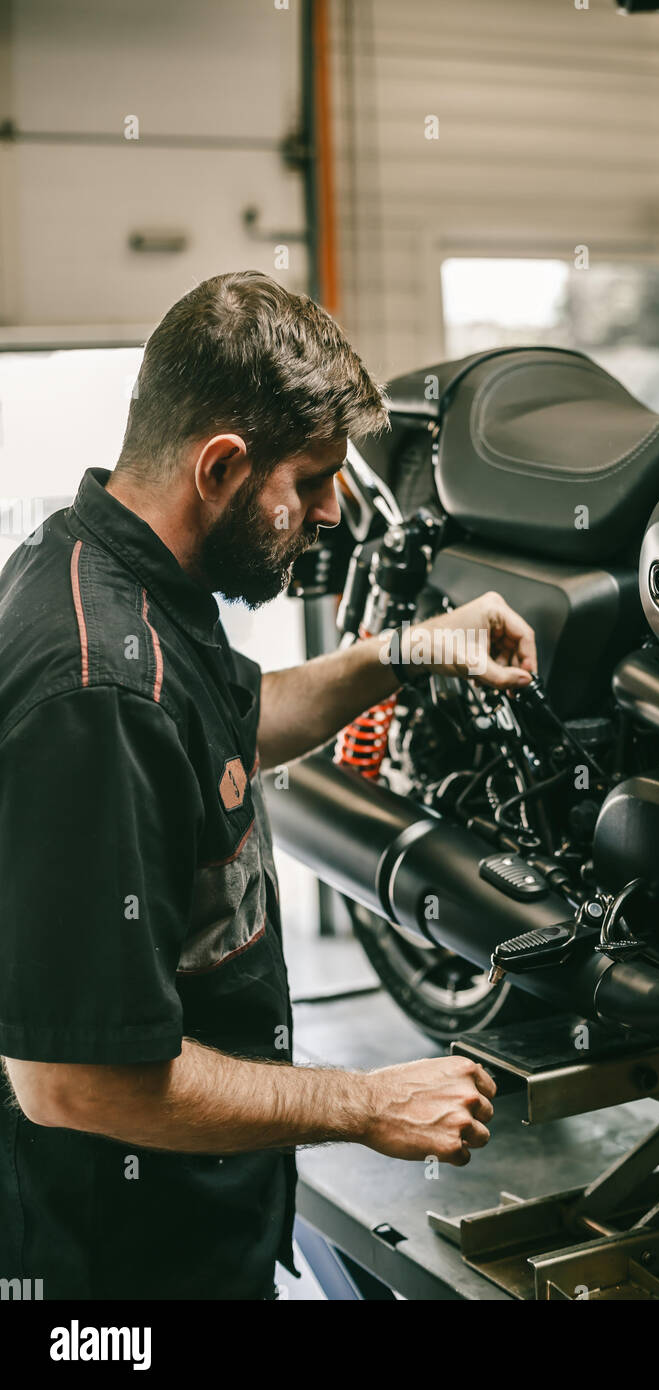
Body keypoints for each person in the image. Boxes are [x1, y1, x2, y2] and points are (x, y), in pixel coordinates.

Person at [0, 272, 538, 1300]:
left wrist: (408, 650)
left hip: (196, 1227)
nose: (332, 511)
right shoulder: (96, 689)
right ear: (220, 466)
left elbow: (232, 720)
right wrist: (362, 1103)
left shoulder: (124, 575)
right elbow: (72, 1079)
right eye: (316, 476)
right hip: (115, 1268)